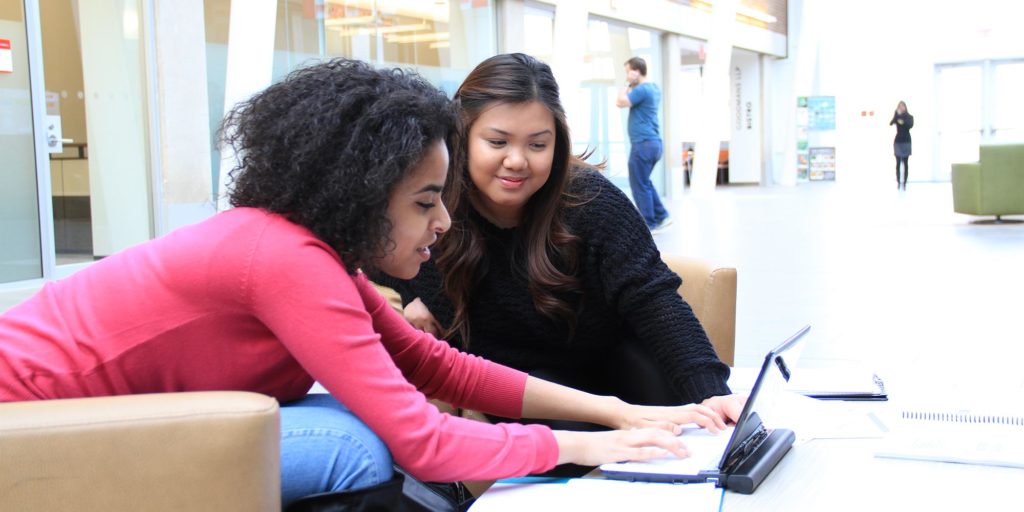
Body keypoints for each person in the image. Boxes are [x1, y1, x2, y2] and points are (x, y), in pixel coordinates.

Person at [0, 59, 731, 509]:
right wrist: (584, 449)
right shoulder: (285, 261)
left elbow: (433, 363)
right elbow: (424, 444)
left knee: (367, 423)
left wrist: (616, 414)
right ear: (360, 192)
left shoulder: (304, 251)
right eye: (423, 202)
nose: (444, 223)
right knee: (359, 443)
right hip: (29, 428)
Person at [373, 53, 742, 450]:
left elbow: (652, 297)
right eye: (497, 142)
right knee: (580, 442)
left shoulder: (591, 201)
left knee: (690, 427)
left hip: (604, 358)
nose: (516, 161)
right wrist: (411, 294)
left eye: (537, 144)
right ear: (461, 136)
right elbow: (372, 250)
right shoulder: (432, 203)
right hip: (516, 380)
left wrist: (711, 392)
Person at [616, 56, 670, 233]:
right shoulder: (654, 89)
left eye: (628, 72)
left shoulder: (642, 90)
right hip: (653, 144)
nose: (627, 76)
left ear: (636, 71)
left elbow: (620, 102)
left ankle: (649, 223)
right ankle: (662, 215)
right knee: (644, 182)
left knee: (639, 184)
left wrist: (628, 84)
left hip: (643, 144)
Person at [890, 100, 914, 190]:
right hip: (898, 141)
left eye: (902, 106)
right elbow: (891, 123)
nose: (901, 107)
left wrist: (902, 120)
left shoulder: (909, 117)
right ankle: (898, 182)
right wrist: (896, 115)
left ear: (905, 107)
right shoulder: (897, 116)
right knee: (898, 163)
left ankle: (904, 183)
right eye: (899, 106)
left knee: (905, 163)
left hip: (906, 141)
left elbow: (910, 125)